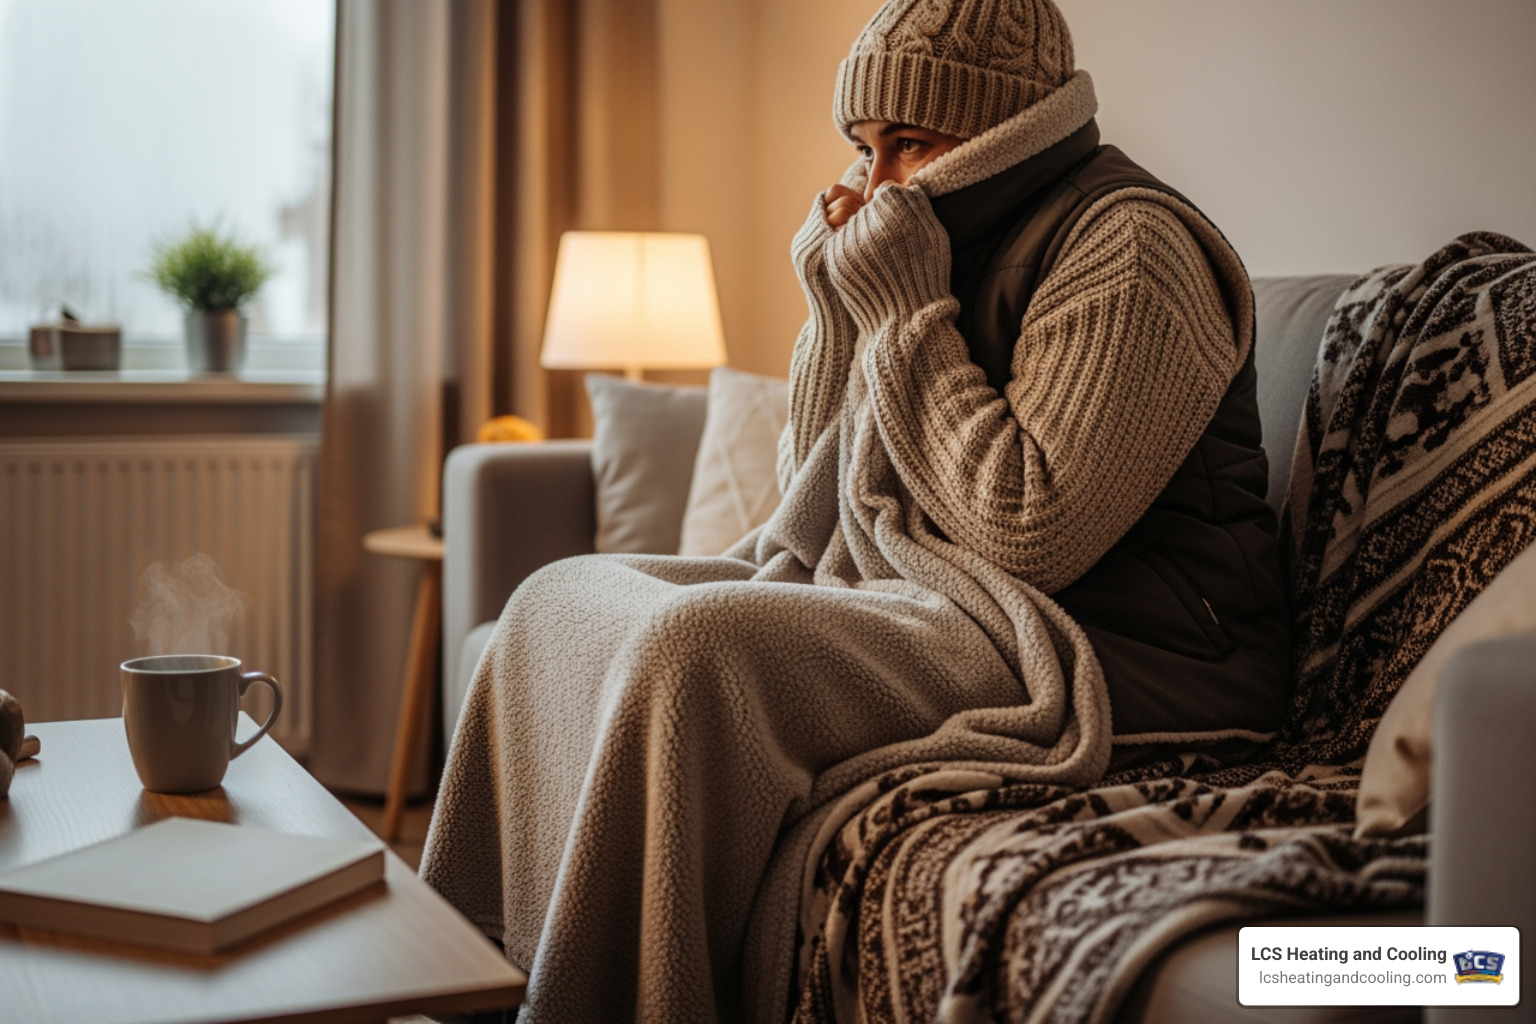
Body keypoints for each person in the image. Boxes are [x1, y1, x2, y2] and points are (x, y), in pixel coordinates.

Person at [421, 1, 1290, 1022]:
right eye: (864, 147)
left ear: (1003, 133)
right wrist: (839, 312)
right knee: (550, 602)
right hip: (942, 592)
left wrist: (906, 313)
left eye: (908, 145)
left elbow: (1031, 530)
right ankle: (467, 986)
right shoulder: (939, 235)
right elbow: (811, 503)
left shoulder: (1134, 244)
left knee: (696, 649)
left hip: (1112, 646)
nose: (872, 183)